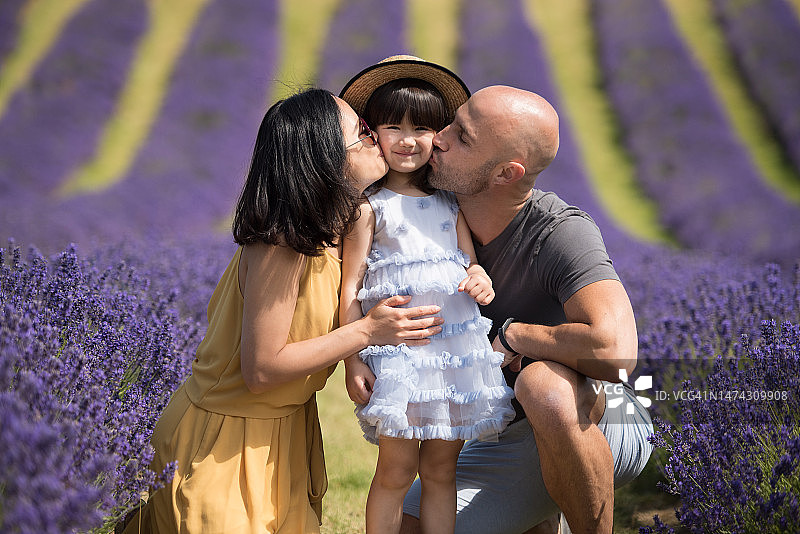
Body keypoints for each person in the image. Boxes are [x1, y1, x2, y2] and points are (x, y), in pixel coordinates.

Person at [117, 88, 446, 534]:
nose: (376, 141)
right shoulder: (283, 244)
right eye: (362, 133)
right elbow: (263, 370)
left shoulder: (335, 234)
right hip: (225, 443)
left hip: (286, 433)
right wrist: (367, 332)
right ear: (325, 158)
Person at [399, 85, 654, 534]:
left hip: (601, 418)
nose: (438, 137)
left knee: (542, 385)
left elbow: (616, 353)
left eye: (462, 136)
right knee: (409, 526)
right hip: (509, 437)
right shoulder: (432, 211)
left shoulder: (559, 232)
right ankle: (541, 513)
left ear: (505, 173)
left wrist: (515, 334)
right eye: (451, 123)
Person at [338, 57, 515, 534]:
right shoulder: (369, 209)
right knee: (395, 472)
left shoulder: (449, 203)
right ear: (372, 134)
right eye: (392, 126)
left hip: (454, 357)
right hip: (401, 357)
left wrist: (481, 279)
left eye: (421, 128)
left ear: (438, 136)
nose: (407, 139)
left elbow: (469, 261)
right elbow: (349, 288)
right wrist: (354, 360)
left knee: (441, 472)